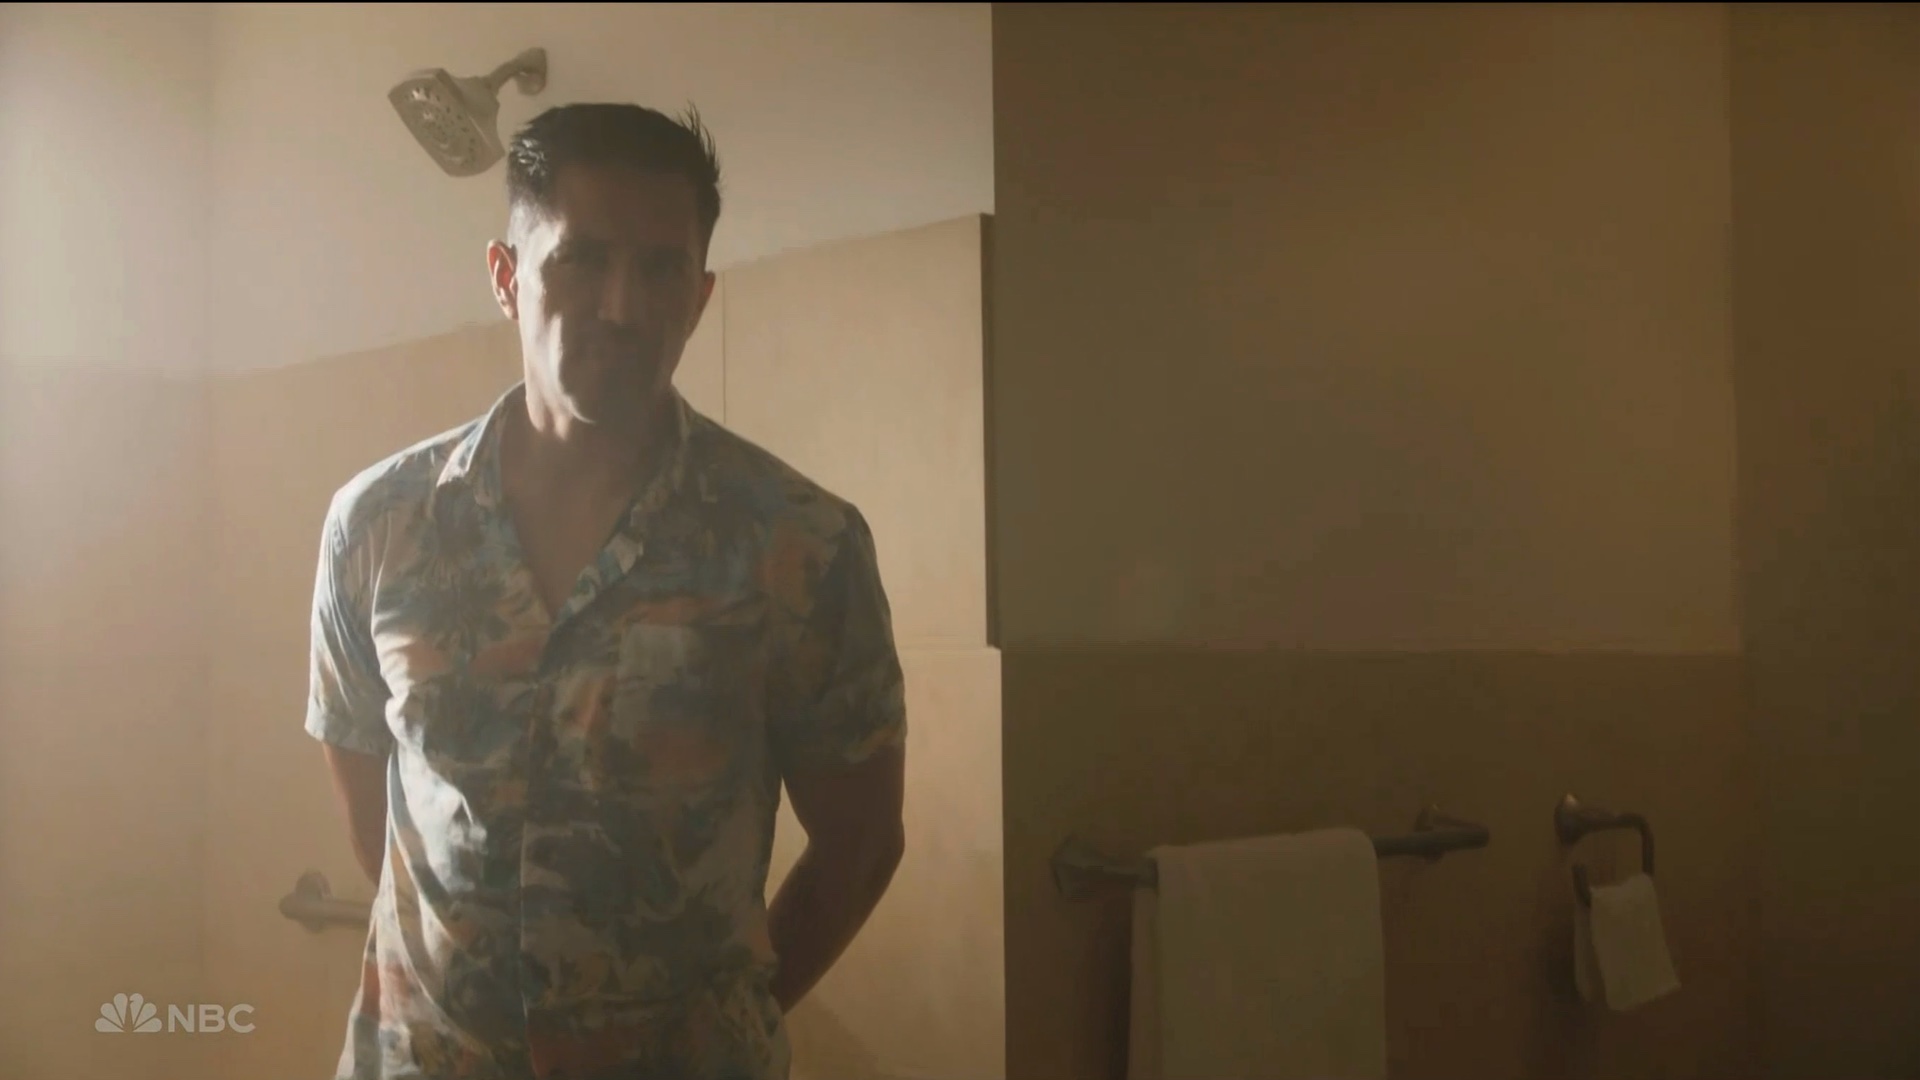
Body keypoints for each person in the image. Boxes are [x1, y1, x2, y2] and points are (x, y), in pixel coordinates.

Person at [304, 102, 908, 1080]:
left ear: (700, 296)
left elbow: (863, 843)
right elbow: (374, 808)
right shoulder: (379, 525)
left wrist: (718, 1028)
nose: (622, 307)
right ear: (507, 277)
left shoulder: (799, 544)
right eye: (580, 260)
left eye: (661, 268)